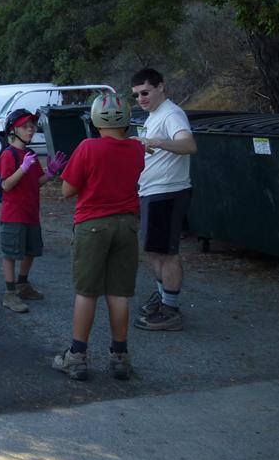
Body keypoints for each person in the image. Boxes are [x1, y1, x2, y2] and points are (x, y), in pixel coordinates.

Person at [54, 92, 146, 381]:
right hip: (127, 225)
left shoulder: (88, 147)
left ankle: (77, 356)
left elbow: (67, 190)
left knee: (87, 292)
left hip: (93, 225)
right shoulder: (136, 149)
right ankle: (120, 357)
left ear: (95, 119)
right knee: (118, 293)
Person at [130, 68, 198, 332]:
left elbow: (188, 145)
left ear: (161, 87)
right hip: (152, 192)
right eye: (136, 95)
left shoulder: (171, 114)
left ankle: (171, 310)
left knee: (167, 253)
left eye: (145, 92)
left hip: (168, 192)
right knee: (154, 250)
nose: (141, 99)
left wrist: (157, 142)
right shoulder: (154, 115)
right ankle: (163, 297)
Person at [0, 109, 68, 313]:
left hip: (31, 213)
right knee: (11, 254)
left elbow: (36, 182)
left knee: (31, 251)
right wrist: (23, 168)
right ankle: (9, 294)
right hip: (13, 214)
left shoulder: (30, 155)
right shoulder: (8, 155)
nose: (30, 130)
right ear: (14, 130)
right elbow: (6, 185)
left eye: (32, 126)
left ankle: (22, 285)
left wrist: (51, 173)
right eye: (25, 127)